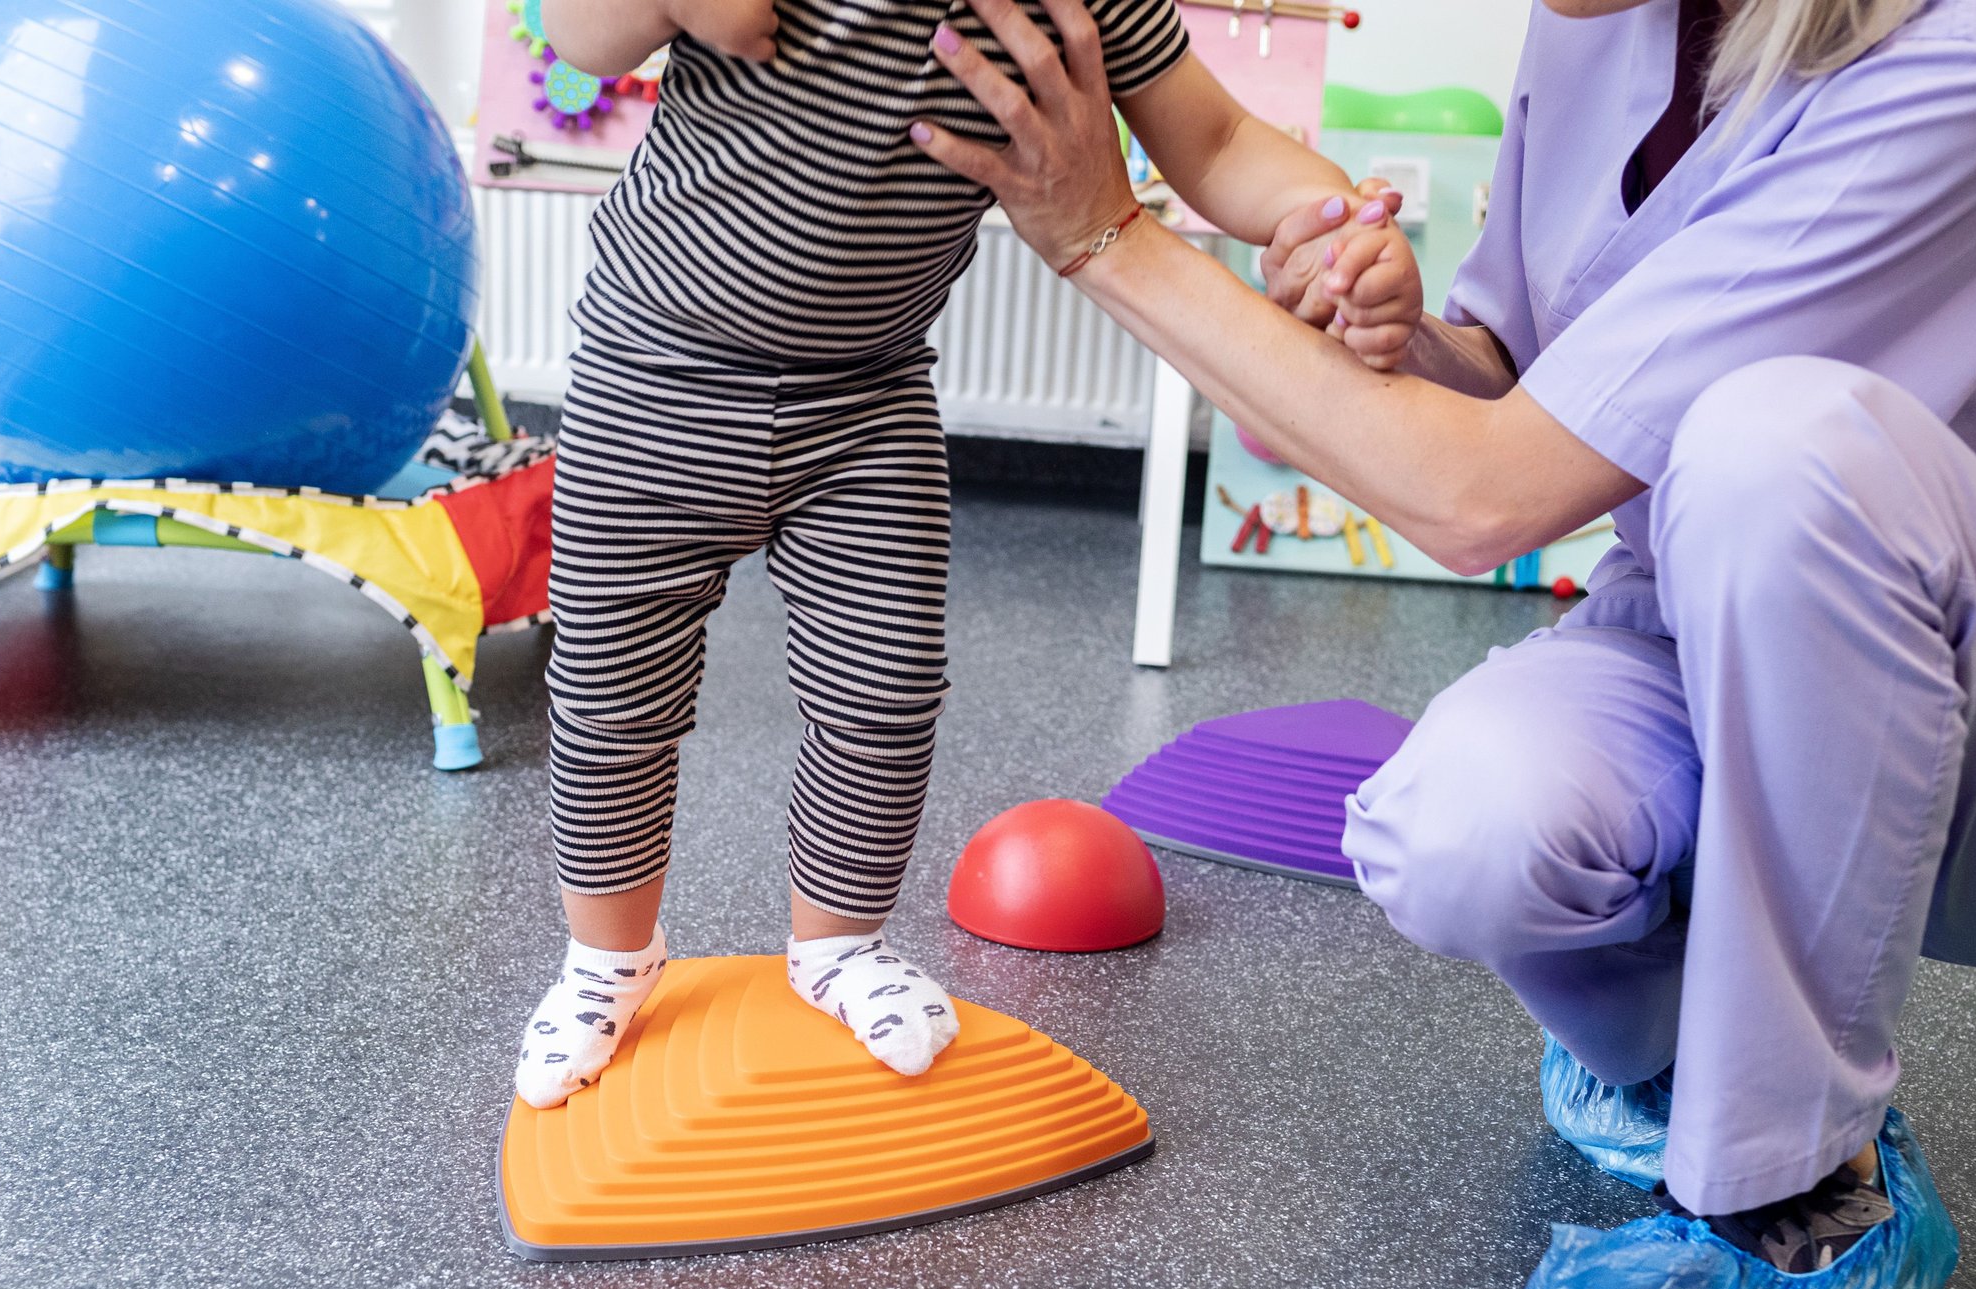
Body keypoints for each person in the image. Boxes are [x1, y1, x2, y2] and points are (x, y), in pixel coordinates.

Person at [914, 0, 1976, 1289]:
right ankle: (1686, 1055)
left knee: (1780, 443)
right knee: (1461, 827)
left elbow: (1488, 493)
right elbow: (1523, 386)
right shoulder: (1605, 15)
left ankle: (1803, 1191)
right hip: (1695, 633)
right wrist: (1400, 333)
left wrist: (1105, 236)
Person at [512, 0, 1422, 1107]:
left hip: (868, 397)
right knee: (613, 692)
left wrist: (1328, 222)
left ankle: (837, 948)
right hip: (655, 371)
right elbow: (578, 37)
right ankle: (608, 958)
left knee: (884, 689)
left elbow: (1218, 142)